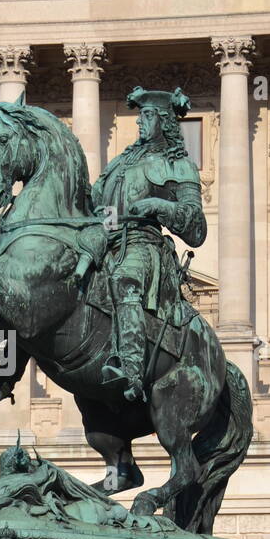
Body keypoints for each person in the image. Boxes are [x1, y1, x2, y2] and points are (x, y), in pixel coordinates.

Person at [91, 86, 207, 401]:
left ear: (164, 120)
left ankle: (130, 370)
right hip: (105, 239)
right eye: (139, 116)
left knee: (123, 280)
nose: (139, 123)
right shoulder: (118, 163)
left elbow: (196, 227)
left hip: (144, 245)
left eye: (146, 116)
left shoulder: (179, 165)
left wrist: (159, 206)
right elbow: (94, 203)